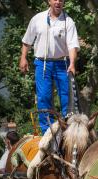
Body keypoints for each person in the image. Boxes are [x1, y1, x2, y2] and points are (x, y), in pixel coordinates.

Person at [19, 0, 80, 134]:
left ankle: (67, 131)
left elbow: (72, 45)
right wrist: (23, 58)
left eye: (61, 0)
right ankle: (48, 132)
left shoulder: (68, 21)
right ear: (49, 1)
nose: (58, 2)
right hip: (42, 63)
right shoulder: (38, 19)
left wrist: (72, 63)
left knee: (67, 98)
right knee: (43, 98)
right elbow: (27, 41)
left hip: (62, 63)